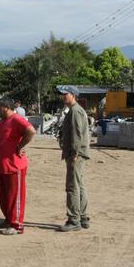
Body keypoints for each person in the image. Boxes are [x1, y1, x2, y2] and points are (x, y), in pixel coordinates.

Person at [0, 98, 36, 235]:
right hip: (1, 165)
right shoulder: (0, 123)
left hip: (14, 165)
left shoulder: (16, 119)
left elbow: (31, 130)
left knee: (15, 196)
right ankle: (9, 219)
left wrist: (20, 146)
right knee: (4, 196)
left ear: (5, 107)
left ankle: (17, 225)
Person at [58, 85, 91, 232]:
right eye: (63, 94)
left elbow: (77, 134)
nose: (63, 96)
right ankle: (83, 217)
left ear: (73, 95)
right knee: (79, 185)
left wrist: (74, 153)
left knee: (72, 186)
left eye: (66, 94)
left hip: (75, 154)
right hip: (78, 153)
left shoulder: (75, 111)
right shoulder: (76, 110)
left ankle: (74, 220)